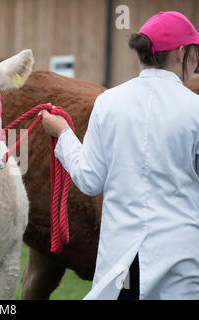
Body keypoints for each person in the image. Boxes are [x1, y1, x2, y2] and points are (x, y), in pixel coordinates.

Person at [41, 11, 199, 300]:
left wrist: (62, 133)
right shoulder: (195, 109)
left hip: (122, 264)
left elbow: (89, 180)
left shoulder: (108, 103)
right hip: (182, 263)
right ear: (180, 52)